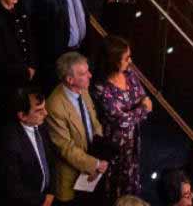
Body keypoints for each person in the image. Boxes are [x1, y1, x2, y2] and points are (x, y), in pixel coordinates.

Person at [90, 36, 153, 198]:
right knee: (115, 189)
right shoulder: (100, 87)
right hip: (115, 146)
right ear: (113, 61)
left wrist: (137, 111)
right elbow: (122, 122)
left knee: (132, 183)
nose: (130, 61)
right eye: (126, 58)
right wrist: (142, 109)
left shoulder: (129, 74)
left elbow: (144, 98)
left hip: (133, 142)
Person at [45, 51, 108, 203]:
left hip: (91, 168)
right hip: (71, 179)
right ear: (70, 79)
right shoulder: (54, 106)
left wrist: (99, 149)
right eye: (84, 73)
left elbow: (94, 121)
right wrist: (95, 164)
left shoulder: (83, 89)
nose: (90, 76)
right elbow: (66, 148)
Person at [0, 86, 56, 206]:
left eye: (44, 108)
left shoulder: (41, 126)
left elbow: (51, 160)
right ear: (22, 116)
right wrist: (41, 200)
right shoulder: (9, 141)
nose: (45, 113)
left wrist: (51, 193)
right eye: (38, 110)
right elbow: (13, 186)